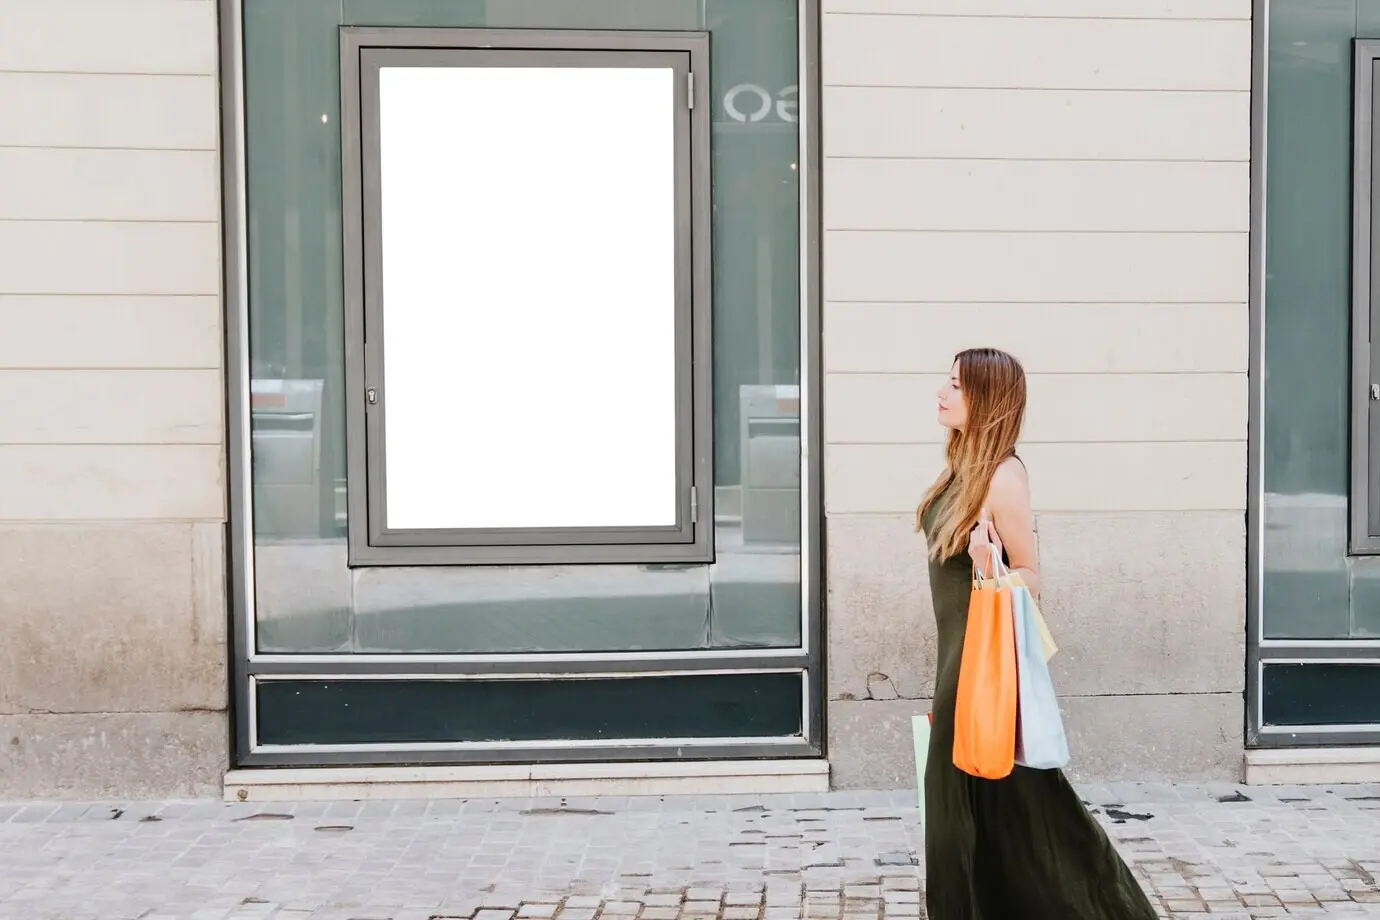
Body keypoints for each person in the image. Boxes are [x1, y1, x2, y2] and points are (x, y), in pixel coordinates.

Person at [915, 347, 1157, 920]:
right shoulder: (963, 464)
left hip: (980, 667)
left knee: (1004, 805)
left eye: (955, 385)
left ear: (987, 399)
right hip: (958, 660)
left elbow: (1029, 575)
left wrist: (985, 564)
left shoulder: (1003, 476)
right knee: (1003, 806)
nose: (941, 393)